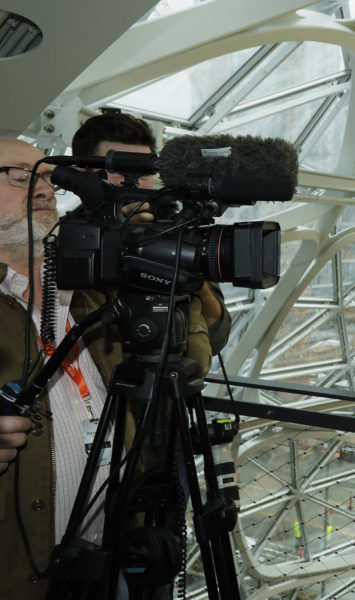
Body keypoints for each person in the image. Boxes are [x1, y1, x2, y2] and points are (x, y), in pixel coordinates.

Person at [0, 136, 220, 599]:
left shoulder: (96, 291)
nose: (42, 189)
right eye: (21, 176)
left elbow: (190, 360)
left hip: (107, 561)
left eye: (46, 177)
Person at [71, 111, 231, 349]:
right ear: (81, 173)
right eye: (118, 170)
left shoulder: (178, 230)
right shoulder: (60, 240)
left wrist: (185, 270)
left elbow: (217, 337)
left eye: (144, 172)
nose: (132, 183)